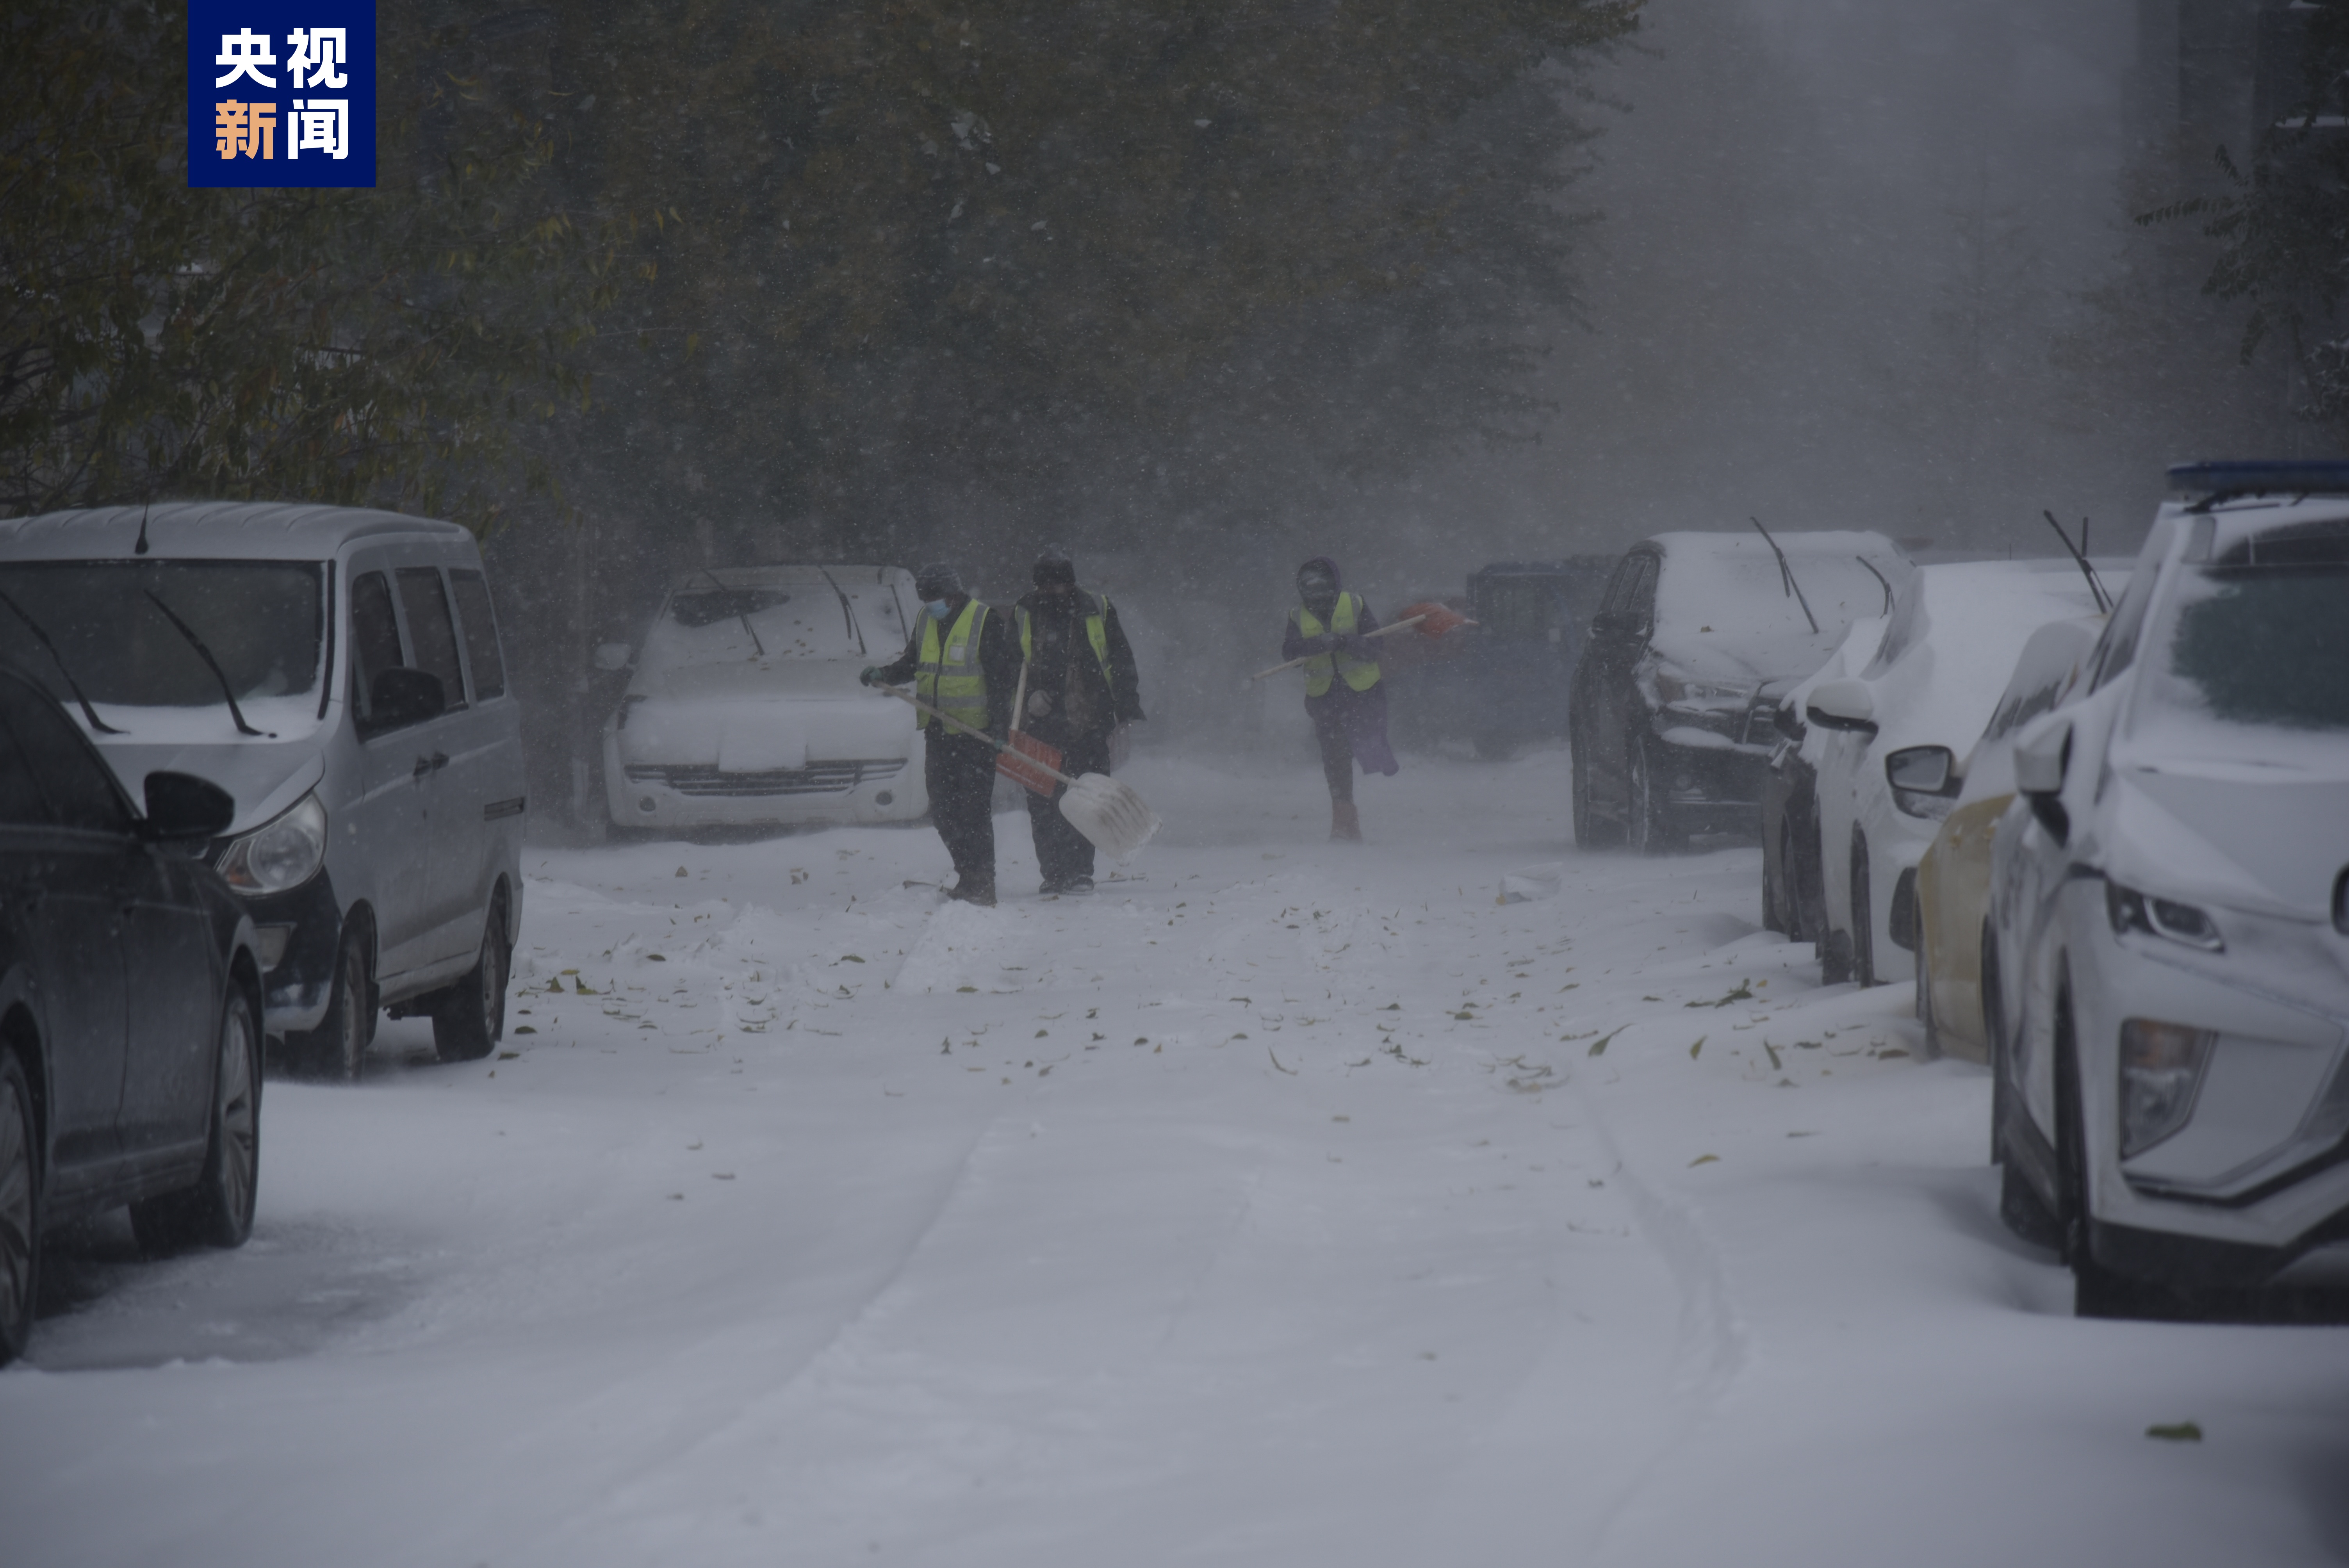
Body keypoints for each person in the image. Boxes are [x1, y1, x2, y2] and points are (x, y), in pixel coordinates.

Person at [861, 563, 1020, 905]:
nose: (932, 604)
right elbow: (914, 663)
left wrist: (998, 730)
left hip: (975, 735)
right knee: (944, 810)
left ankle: (983, 881)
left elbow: (1000, 680)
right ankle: (967, 874)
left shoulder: (984, 620)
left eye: (937, 598)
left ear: (954, 593)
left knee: (973, 811)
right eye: (927, 598)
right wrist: (885, 674)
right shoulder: (925, 620)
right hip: (939, 733)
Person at [1011, 545, 1145, 894]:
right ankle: (1053, 873)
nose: (1052, 594)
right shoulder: (1025, 612)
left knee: (1086, 799)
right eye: (1046, 588)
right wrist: (1028, 701)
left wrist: (1126, 707)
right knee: (1043, 801)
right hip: (1041, 727)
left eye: (1058, 587)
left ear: (1071, 584)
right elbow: (1010, 667)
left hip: (1088, 721)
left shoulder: (1097, 609)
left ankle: (1080, 871)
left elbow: (1120, 659)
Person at [1282, 555, 1398, 841]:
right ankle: (1345, 822)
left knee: (1369, 744)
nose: (1315, 592)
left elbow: (1376, 646)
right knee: (1335, 758)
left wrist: (1346, 641)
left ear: (1333, 583)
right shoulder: (1297, 615)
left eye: (1320, 585)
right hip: (1325, 699)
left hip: (1363, 695)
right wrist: (1315, 645)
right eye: (1308, 586)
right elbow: (1290, 653)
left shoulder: (1355, 604)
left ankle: (1380, 761)